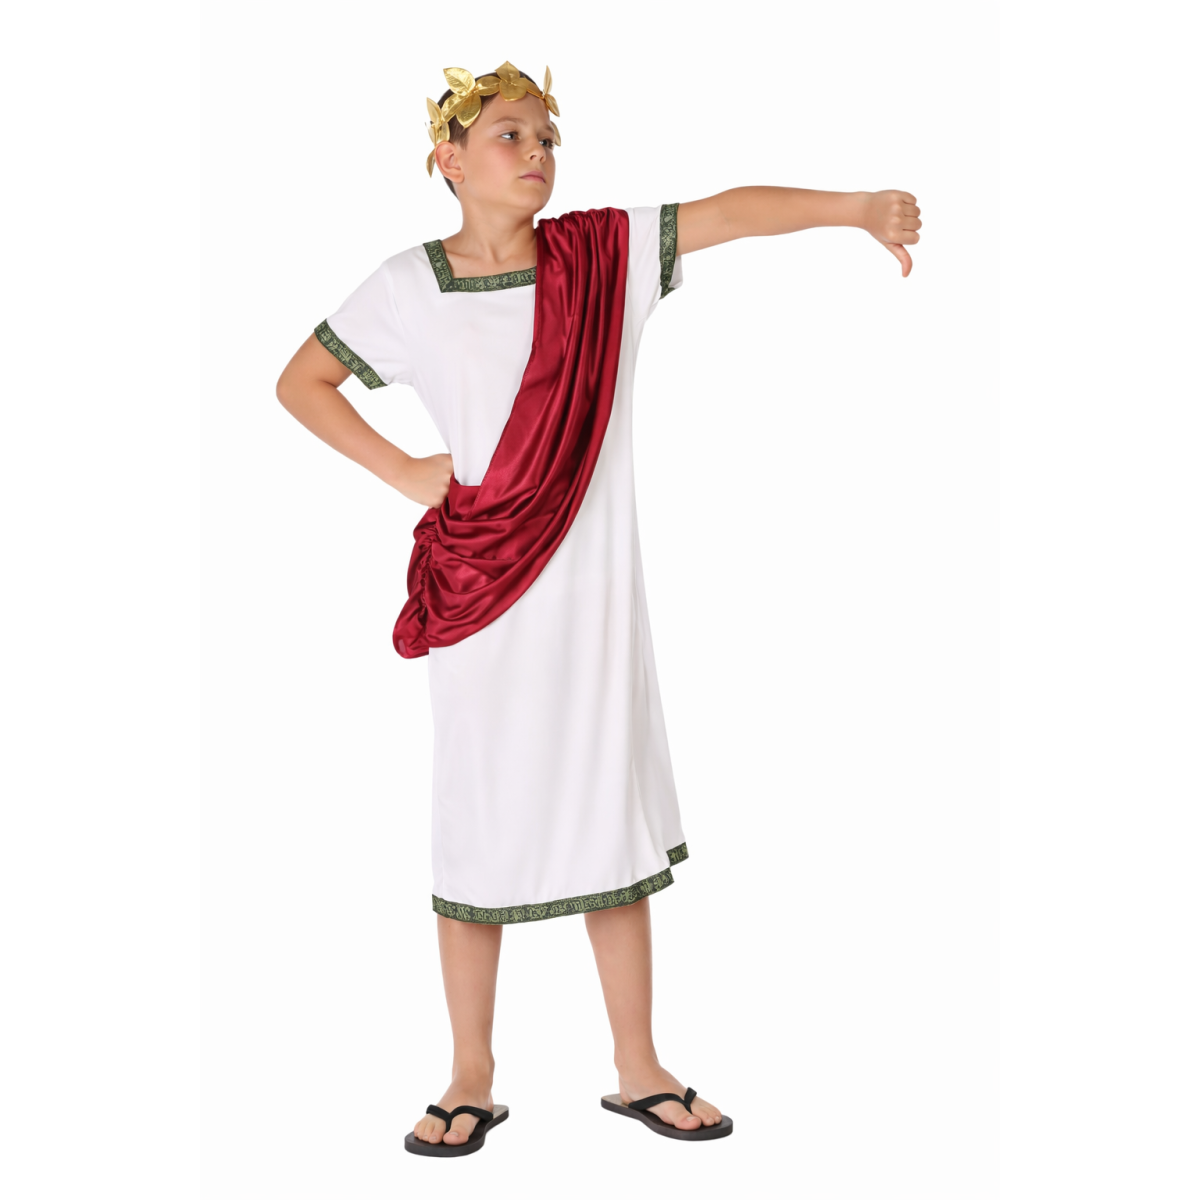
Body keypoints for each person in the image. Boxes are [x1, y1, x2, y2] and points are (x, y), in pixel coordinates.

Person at [276, 61, 921, 1157]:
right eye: (509, 135)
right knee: (477, 822)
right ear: (448, 161)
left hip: (593, 601)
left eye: (546, 137)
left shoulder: (601, 258)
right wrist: (405, 471)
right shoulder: (406, 285)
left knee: (604, 813)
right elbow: (301, 383)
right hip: (485, 596)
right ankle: (470, 1072)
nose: (536, 152)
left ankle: (638, 1067)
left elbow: (725, 214)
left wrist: (854, 208)